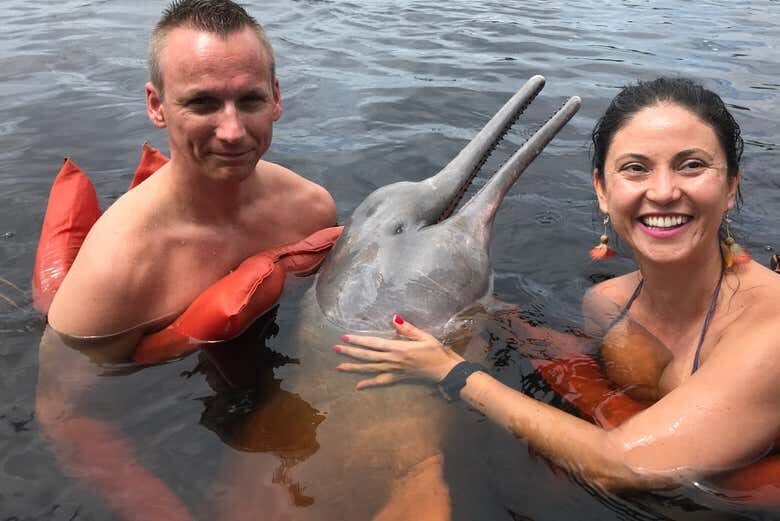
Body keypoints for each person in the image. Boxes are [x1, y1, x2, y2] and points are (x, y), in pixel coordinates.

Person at [334, 77, 780, 493]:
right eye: (636, 169)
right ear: (602, 191)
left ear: (730, 187)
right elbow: (587, 388)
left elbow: (630, 464)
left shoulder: (770, 327)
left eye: (692, 165)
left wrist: (452, 373)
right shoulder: (606, 303)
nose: (663, 191)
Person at [36, 1, 335, 519]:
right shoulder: (119, 271)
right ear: (156, 106)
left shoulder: (310, 209)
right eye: (202, 103)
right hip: (165, 424)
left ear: (277, 97)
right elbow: (61, 410)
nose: (233, 131)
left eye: (250, 99)